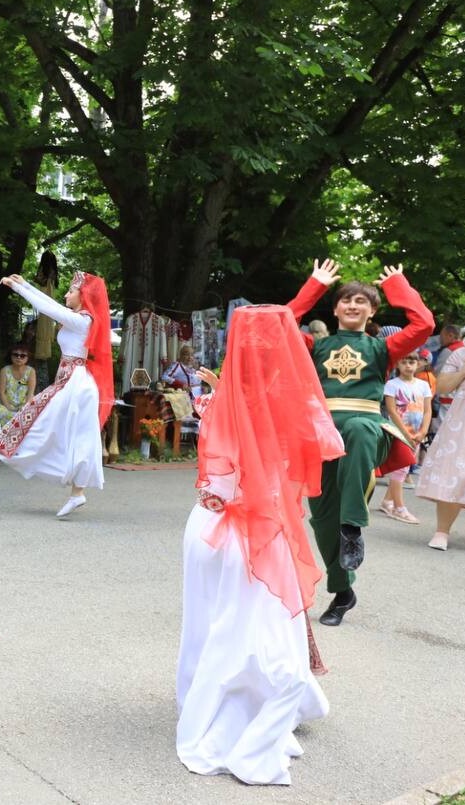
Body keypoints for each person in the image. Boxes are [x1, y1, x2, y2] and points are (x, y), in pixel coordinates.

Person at [177, 304, 342, 786]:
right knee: (257, 630)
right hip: (259, 530)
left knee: (216, 624)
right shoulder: (298, 405)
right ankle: (259, 705)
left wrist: (216, 400)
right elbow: (315, 454)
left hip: (214, 528)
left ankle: (215, 703)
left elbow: (218, 488)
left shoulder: (224, 403)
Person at [286, 259, 432, 626]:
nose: (353, 305)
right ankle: (343, 591)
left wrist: (397, 284)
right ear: (335, 308)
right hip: (320, 437)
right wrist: (315, 284)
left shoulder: (383, 349)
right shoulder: (315, 346)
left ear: (372, 310)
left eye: (361, 301)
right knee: (321, 519)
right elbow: (278, 324)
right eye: (346, 300)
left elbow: (424, 324)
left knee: (359, 429)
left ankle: (353, 525)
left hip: (366, 432)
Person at [0, 270, 114, 517]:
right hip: (71, 380)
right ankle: (77, 493)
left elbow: (47, 308)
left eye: (71, 291)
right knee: (69, 434)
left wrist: (19, 288)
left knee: (60, 430)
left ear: (83, 296)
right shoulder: (77, 317)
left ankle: (76, 491)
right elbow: (50, 305)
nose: (66, 294)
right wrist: (24, 284)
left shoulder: (83, 320)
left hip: (77, 384)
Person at [416, 345, 465, 551]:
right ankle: (442, 531)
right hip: (463, 426)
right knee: (453, 472)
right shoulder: (462, 354)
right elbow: (441, 387)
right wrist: (463, 373)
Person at [377, 351, 432, 524]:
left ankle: (387, 501)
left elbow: (427, 410)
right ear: (398, 365)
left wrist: (423, 430)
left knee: (404, 467)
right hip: (399, 432)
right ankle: (399, 508)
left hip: (416, 433)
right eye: (404, 362)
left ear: (418, 364)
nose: (408, 365)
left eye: (412, 362)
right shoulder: (392, 385)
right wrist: (405, 433)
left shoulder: (423, 385)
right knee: (401, 468)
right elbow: (392, 411)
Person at [34, 251, 59, 389]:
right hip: (47, 309)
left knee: (44, 329)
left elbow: (39, 280)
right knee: (45, 328)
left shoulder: (45, 275)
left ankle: (41, 385)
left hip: (44, 308)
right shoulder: (51, 276)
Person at [0, 344, 36, 426]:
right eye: (16, 355)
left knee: (32, 415)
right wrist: (8, 407)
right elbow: (1, 392)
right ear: (10, 356)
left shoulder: (31, 371)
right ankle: (0, 437)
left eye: (22, 355)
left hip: (25, 404)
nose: (19, 357)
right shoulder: (4, 371)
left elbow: (30, 393)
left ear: (27, 358)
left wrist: (24, 407)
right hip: (6, 404)